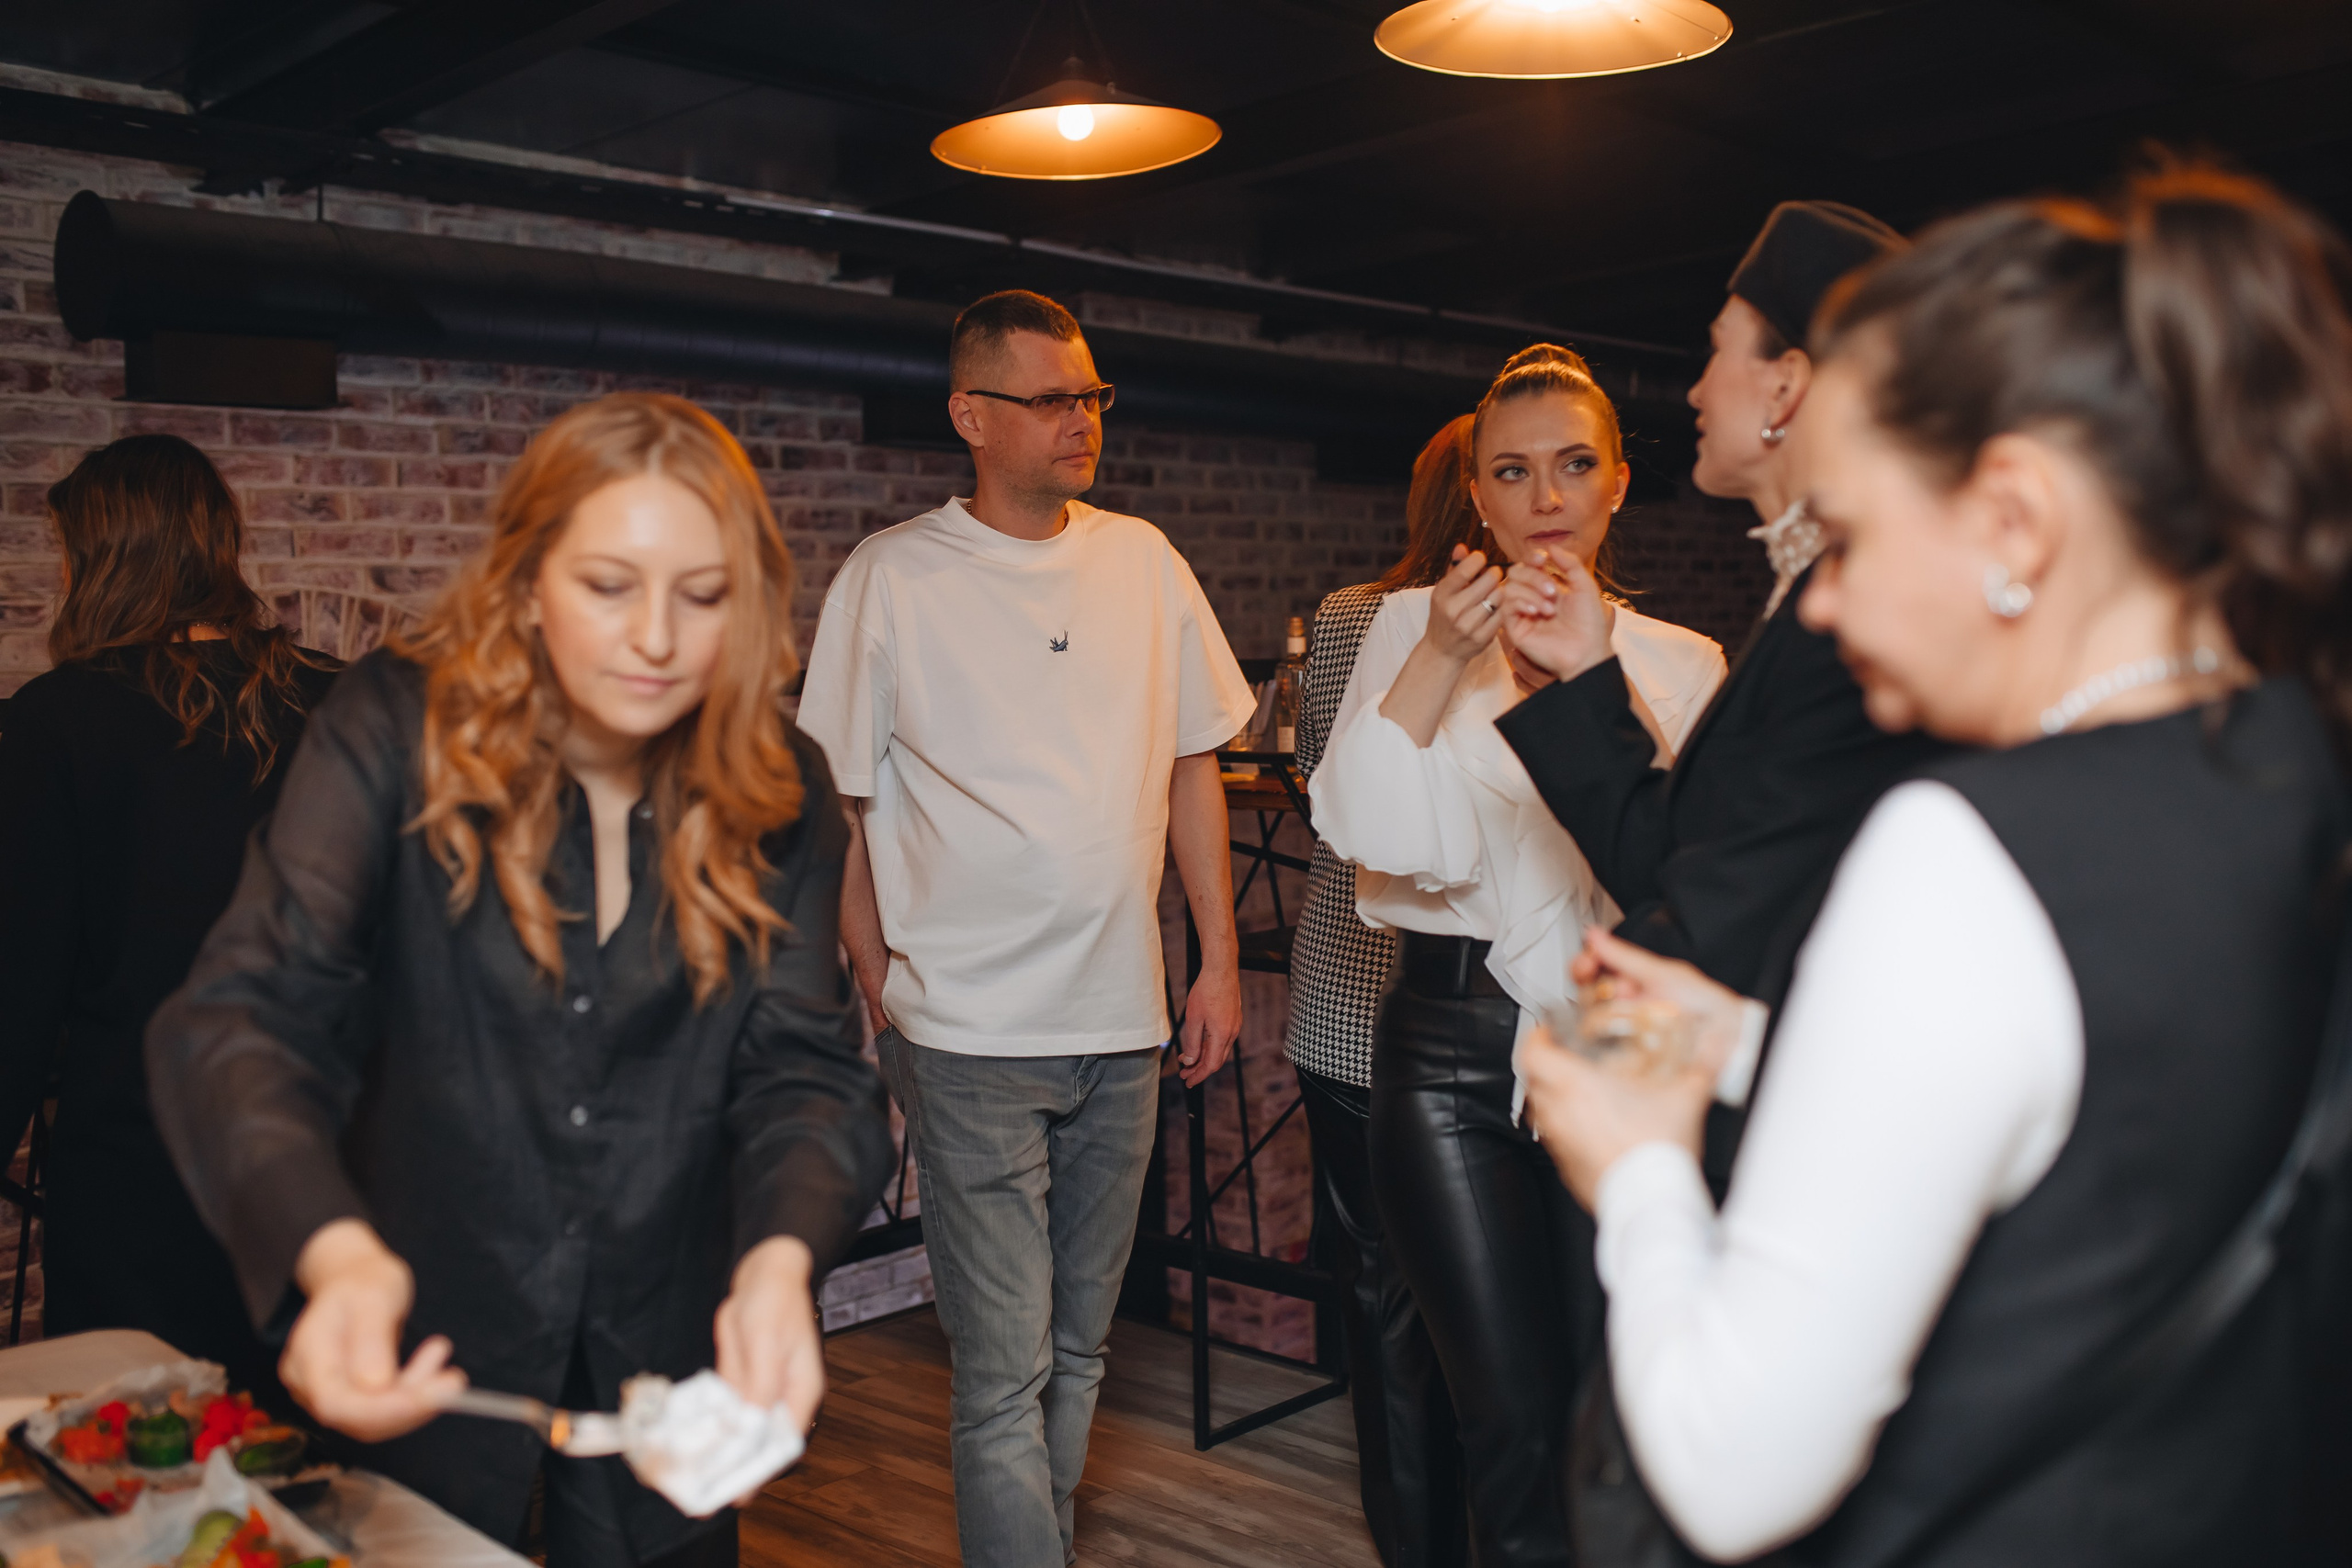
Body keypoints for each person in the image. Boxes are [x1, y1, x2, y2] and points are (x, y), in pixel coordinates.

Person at [1523, 164, 2352, 1566]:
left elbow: (1735, 1469)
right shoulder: (2291, 761)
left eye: (1849, 536)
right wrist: (1749, 1045)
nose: (1824, 601)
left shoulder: (1966, 850)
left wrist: (1639, 1161)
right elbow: (2106, 1125)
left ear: (2015, 521)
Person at [146, 392, 895, 1568]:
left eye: (702, 596)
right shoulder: (394, 728)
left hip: (669, 1335)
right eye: (609, 586)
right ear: (528, 579)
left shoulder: (782, 784)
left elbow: (803, 1071)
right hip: (425, 1322)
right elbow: (248, 1017)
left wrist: (778, 1263)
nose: (658, 639)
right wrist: (329, 1254)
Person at [798, 288, 1257, 1568]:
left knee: (1078, 1349)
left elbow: (1194, 766)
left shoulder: (1145, 561)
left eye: (1091, 394)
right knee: (1002, 1371)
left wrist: (1216, 962)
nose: (1082, 419)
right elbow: (842, 798)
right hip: (964, 1033)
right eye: (1052, 398)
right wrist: (873, 968)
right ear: (971, 415)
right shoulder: (892, 576)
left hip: (1121, 1022)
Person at [1312, 344, 1725, 1568]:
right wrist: (1444, 657)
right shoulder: (1406, 625)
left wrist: (1590, 680)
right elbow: (1362, 830)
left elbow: (1680, 874)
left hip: (1614, 1033)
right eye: (1511, 470)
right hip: (1447, 1046)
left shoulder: (1683, 659)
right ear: (1477, 495)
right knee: (1506, 1422)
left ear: (1617, 483)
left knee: (1622, 1406)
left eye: (1573, 464)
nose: (1545, 495)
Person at [1495, 203, 1946, 1032]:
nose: (1697, 389)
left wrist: (1607, 1039)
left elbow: (1728, 921)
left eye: (1716, 350)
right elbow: (1677, 861)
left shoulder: (1861, 619)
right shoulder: (1804, 594)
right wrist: (1586, 671)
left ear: (1784, 386)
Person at [0, 434, 338, 1401]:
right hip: (323, 1168)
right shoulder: (343, 696)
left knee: (142, 1456)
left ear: (105, 558)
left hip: (143, 1170)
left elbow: (19, 986)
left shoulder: (58, 719)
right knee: (315, 1457)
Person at [1284, 414, 1481, 1568]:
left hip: (1347, 1003)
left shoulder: (1348, 616)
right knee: (1475, 1299)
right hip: (1430, 1004)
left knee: (1382, 1295)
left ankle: (1413, 1541)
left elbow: (1315, 777)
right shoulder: (1467, 618)